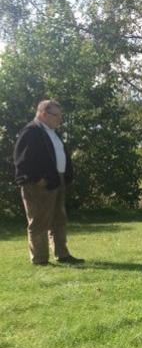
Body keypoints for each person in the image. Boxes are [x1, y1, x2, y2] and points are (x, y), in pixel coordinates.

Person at [13, 100, 84, 265]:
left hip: (56, 180)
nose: (60, 119)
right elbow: (21, 160)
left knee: (59, 219)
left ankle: (62, 254)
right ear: (43, 113)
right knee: (39, 221)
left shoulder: (53, 132)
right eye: (56, 115)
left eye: (60, 115)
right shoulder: (31, 131)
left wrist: (65, 176)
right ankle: (39, 259)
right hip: (39, 183)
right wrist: (37, 179)